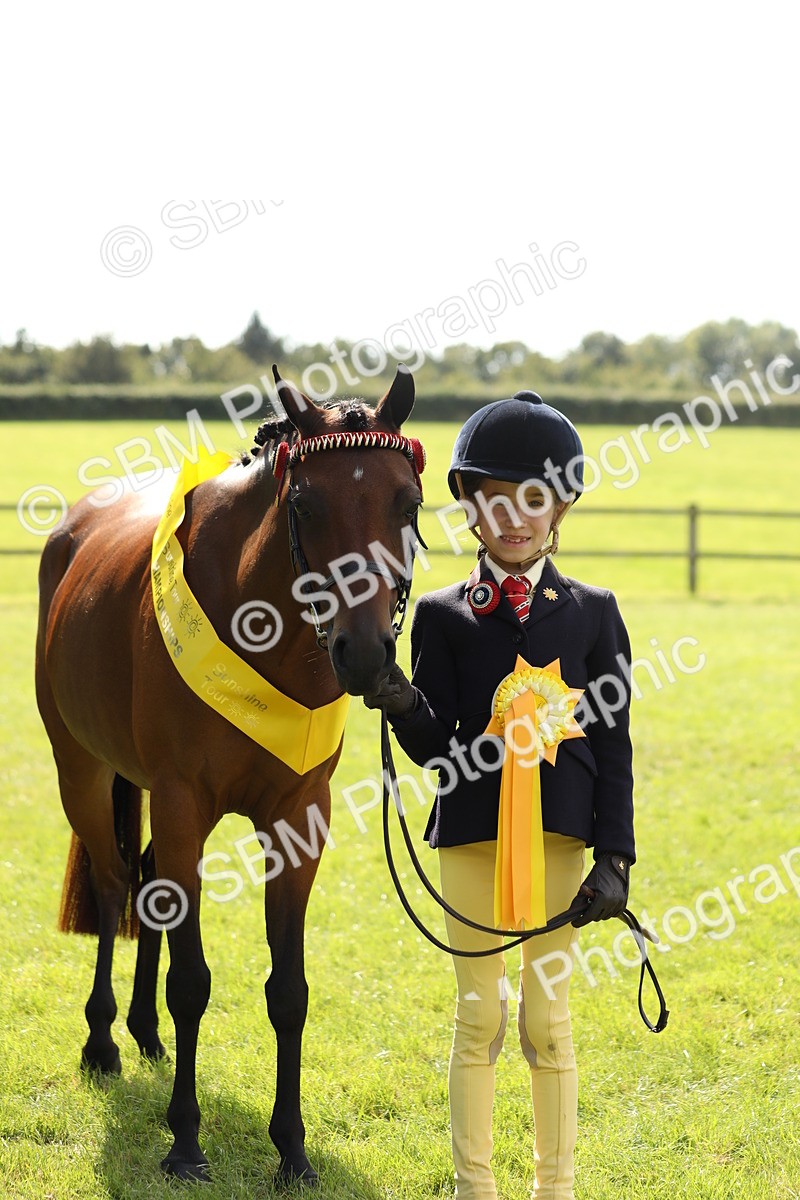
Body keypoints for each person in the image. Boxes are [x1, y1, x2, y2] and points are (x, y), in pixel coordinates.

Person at [364, 391, 634, 1200]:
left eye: (533, 500)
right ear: (470, 508)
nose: (514, 519)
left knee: (546, 1021)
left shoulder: (595, 615)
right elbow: (436, 752)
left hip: (560, 841)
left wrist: (616, 858)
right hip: (473, 836)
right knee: (480, 1014)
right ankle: (474, 1187)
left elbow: (614, 746)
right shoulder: (441, 616)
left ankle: (557, 1189)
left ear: (560, 509)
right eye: (495, 501)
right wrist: (402, 700)